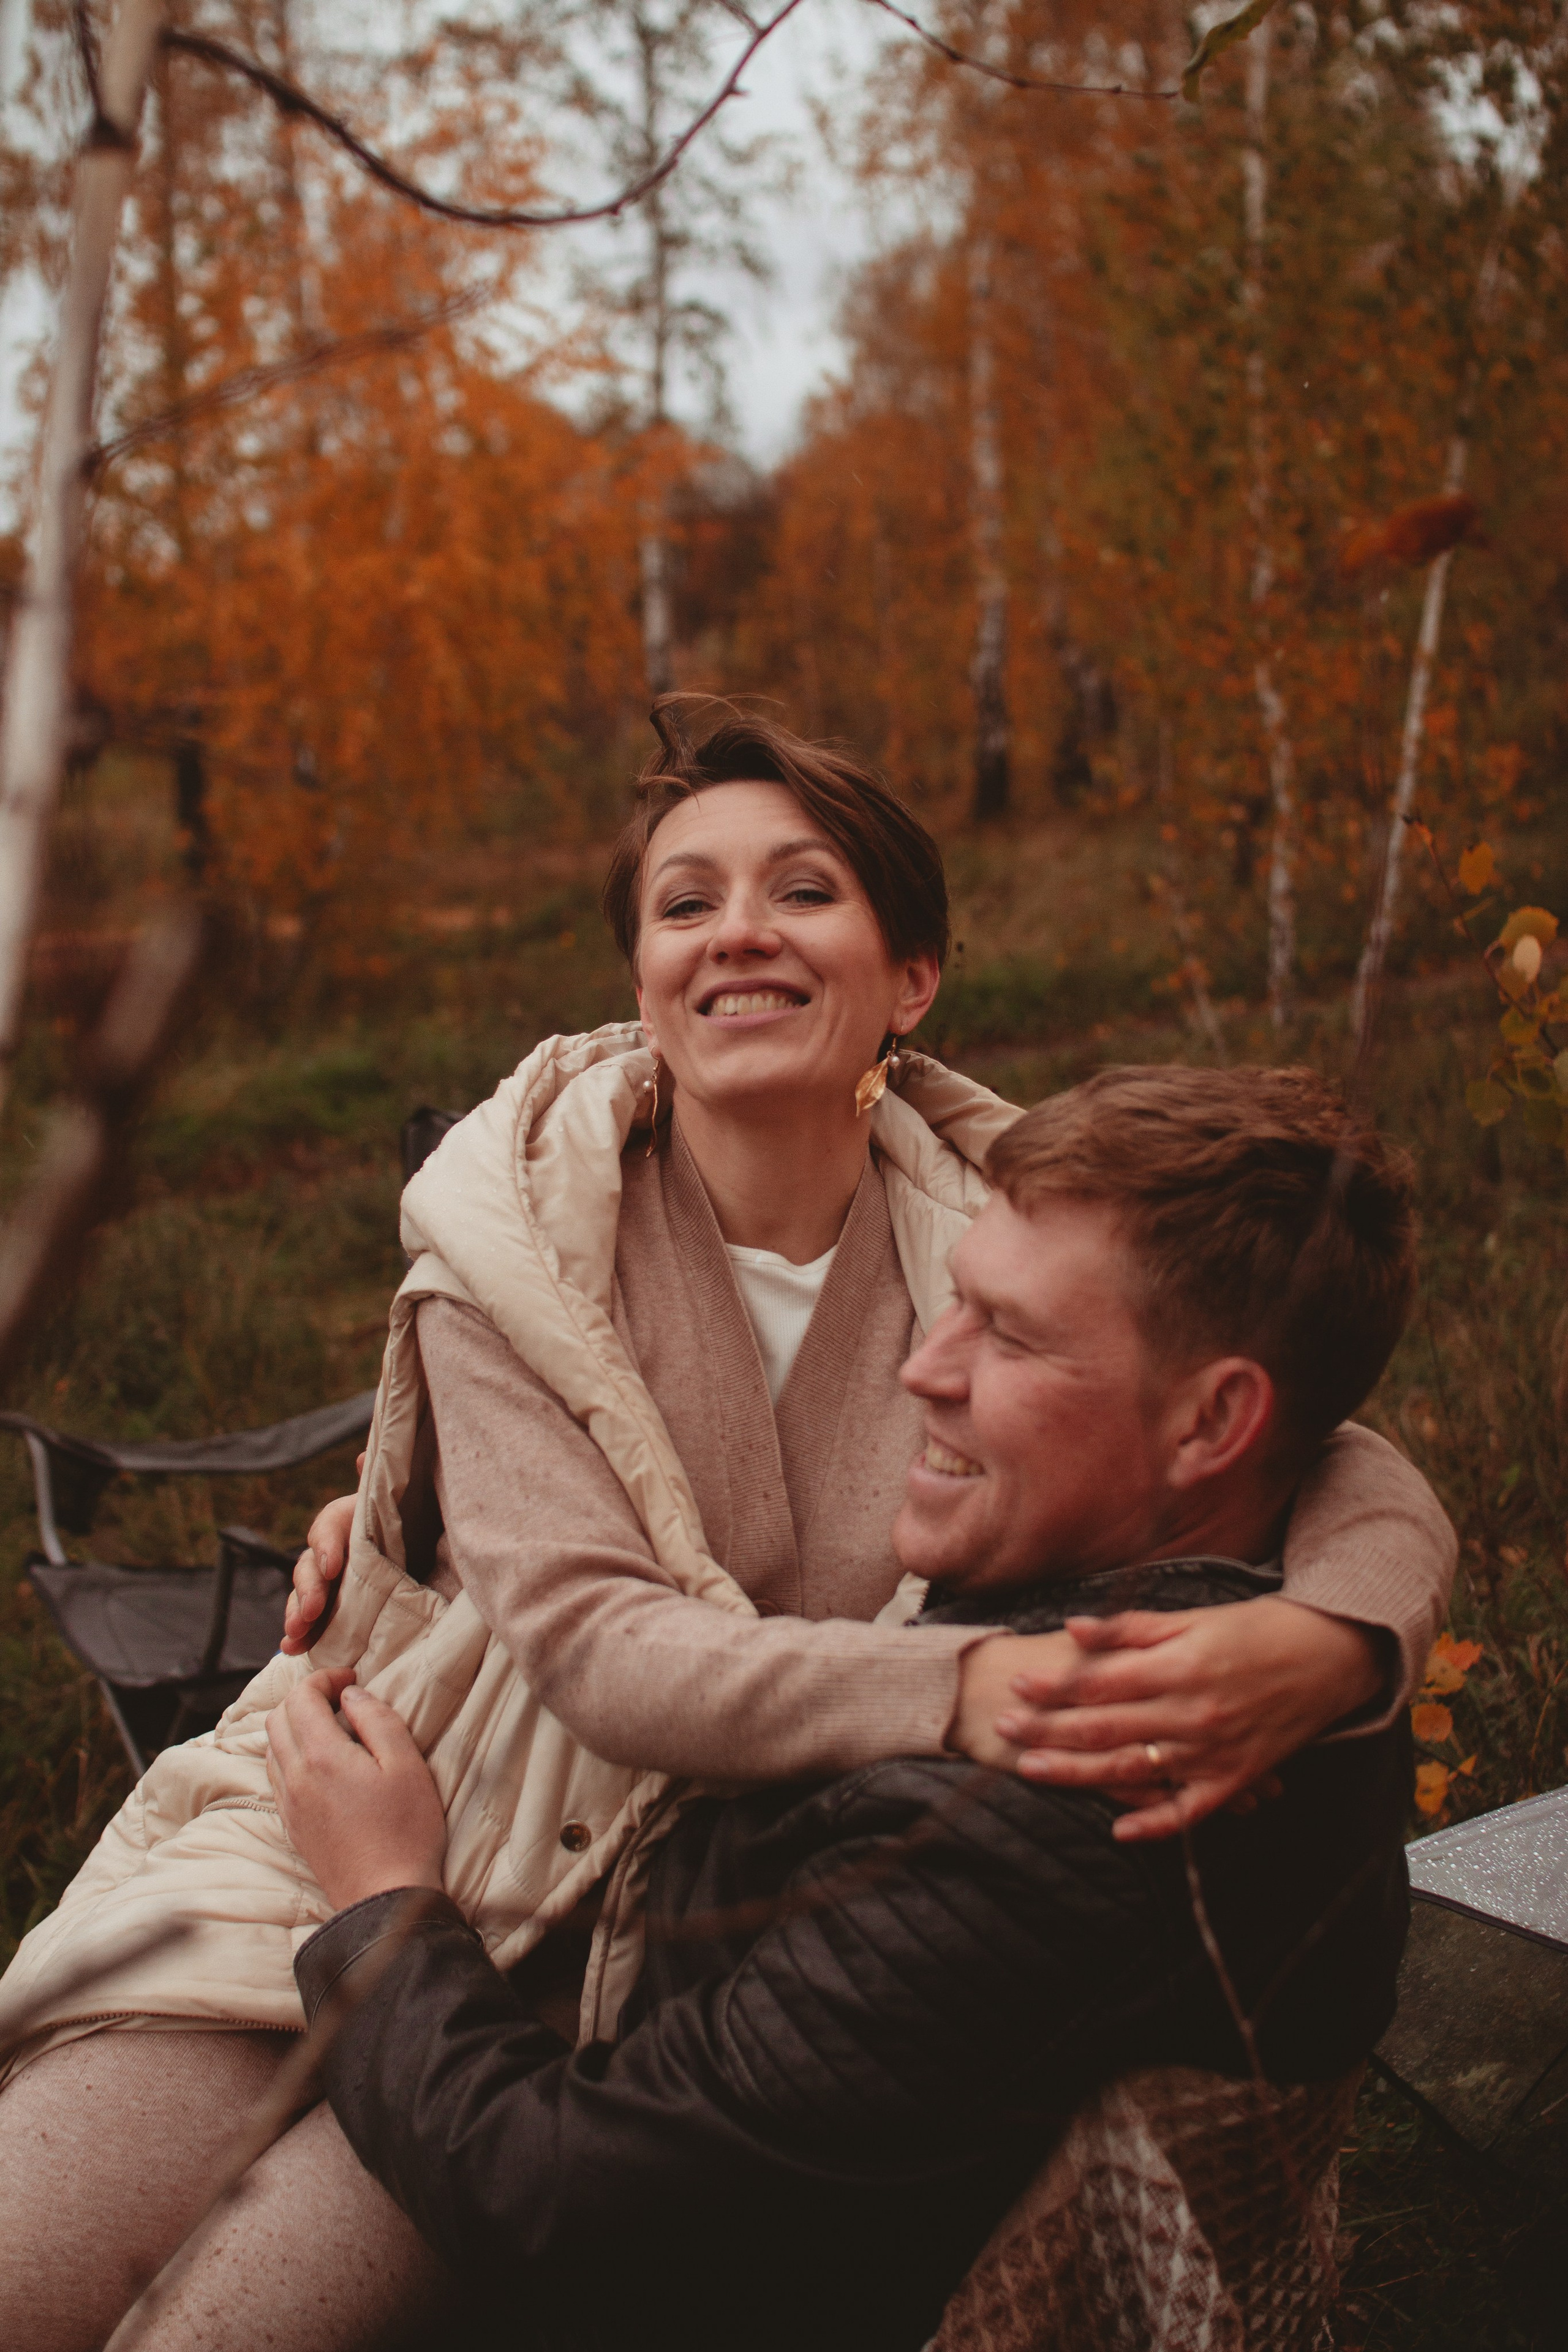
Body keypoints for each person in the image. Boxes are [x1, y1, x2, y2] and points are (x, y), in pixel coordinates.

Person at [0, 706, 1451, 2352]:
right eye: (684, 903)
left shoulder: (998, 1219)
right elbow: (606, 1653)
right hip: (386, 1808)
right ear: (641, 977)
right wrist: (955, 1692)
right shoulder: (515, 1236)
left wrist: (1340, 1635)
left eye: (804, 890)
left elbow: (1328, 1440)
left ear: (913, 978)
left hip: (610, 1972)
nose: (737, 931)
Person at [263, 1063, 1422, 2352]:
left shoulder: (1035, 1816)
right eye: (953, 1297)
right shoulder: (1268, 1627)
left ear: (1214, 1422)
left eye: (1010, 1335)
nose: (923, 1366)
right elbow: (1353, 1465)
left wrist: (382, 1912)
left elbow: (565, 2208)